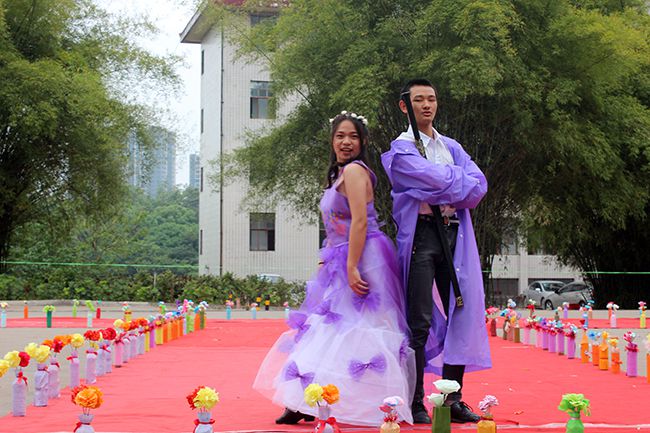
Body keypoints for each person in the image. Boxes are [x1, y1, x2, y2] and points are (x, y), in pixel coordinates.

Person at [254, 111, 414, 426]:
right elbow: (336, 225)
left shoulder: (354, 171)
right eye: (340, 136)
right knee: (328, 326)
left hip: (364, 258)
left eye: (353, 136)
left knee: (359, 327)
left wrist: (353, 266)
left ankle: (362, 404)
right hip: (341, 258)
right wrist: (329, 258)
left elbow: (359, 221)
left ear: (363, 142)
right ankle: (308, 399)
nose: (346, 142)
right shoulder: (338, 175)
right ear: (332, 141)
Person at [381, 79, 491, 424]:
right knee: (419, 319)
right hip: (422, 235)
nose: (426, 105)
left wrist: (441, 182)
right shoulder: (401, 149)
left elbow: (478, 186)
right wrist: (453, 182)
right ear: (405, 106)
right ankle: (415, 401)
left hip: (454, 232)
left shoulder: (451, 146)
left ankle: (452, 399)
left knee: (461, 312)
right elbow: (419, 177)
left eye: (431, 99)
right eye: (419, 100)